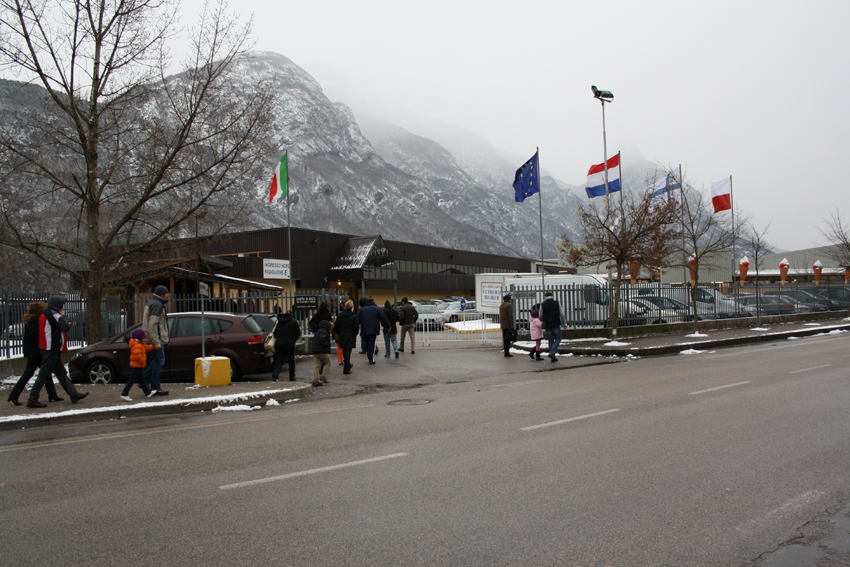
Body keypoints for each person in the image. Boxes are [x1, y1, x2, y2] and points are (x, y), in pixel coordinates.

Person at [26, 295, 88, 408]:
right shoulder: (53, 314)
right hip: (50, 349)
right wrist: (64, 316)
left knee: (61, 373)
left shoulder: (47, 313)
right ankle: (32, 399)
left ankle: (74, 394)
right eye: (61, 304)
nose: (62, 307)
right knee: (44, 375)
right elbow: (66, 326)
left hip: (49, 348)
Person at [7, 302, 62, 406]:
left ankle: (52, 394)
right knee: (36, 372)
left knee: (44, 372)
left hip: (33, 351)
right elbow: (33, 335)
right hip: (35, 351)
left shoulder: (29, 319)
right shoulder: (35, 320)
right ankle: (15, 394)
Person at [143, 285, 170, 395]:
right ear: (162, 294)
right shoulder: (158, 305)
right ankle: (155, 386)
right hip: (156, 338)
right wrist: (156, 341)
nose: (167, 295)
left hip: (152, 337)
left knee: (158, 360)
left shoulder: (152, 303)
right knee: (159, 361)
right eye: (166, 293)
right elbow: (153, 324)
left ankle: (144, 380)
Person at [120, 329, 158, 401]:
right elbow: (137, 355)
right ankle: (124, 393)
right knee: (132, 380)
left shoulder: (138, 344)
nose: (144, 338)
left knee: (142, 380)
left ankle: (148, 392)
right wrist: (143, 360)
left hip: (138, 365)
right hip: (137, 365)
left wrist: (152, 346)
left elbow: (144, 348)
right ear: (140, 338)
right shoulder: (137, 345)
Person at [271, 308, 302, 382]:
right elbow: (297, 333)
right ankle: (292, 376)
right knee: (291, 360)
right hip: (289, 343)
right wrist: (293, 339)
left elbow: (275, 333)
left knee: (280, 360)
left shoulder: (279, 322)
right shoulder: (294, 322)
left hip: (279, 343)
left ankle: (275, 375)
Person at [357, 297, 390, 365]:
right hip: (374, 329)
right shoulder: (377, 309)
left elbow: (357, 320)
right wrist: (388, 326)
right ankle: (371, 358)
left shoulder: (362, 309)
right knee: (372, 343)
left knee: (366, 343)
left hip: (364, 329)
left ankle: (369, 356)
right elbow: (384, 318)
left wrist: (356, 328)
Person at [334, 300, 359, 375]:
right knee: (348, 352)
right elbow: (356, 327)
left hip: (342, 335)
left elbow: (336, 327)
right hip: (350, 336)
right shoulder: (354, 316)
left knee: (345, 351)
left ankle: (347, 365)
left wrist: (340, 333)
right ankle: (346, 368)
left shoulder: (340, 316)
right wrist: (354, 333)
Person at [541, 291, 565, 362]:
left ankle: (552, 355)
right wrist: (564, 323)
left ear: (545, 296)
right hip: (556, 323)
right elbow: (562, 314)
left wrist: (543, 320)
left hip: (548, 324)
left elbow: (540, 315)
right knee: (558, 338)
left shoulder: (543, 304)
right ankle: (552, 353)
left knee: (550, 339)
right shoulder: (557, 303)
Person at [311, 320, 333, 387]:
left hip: (315, 350)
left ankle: (315, 380)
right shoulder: (323, 332)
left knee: (317, 366)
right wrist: (326, 345)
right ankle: (323, 375)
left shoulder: (318, 331)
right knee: (328, 362)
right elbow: (322, 339)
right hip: (321, 350)